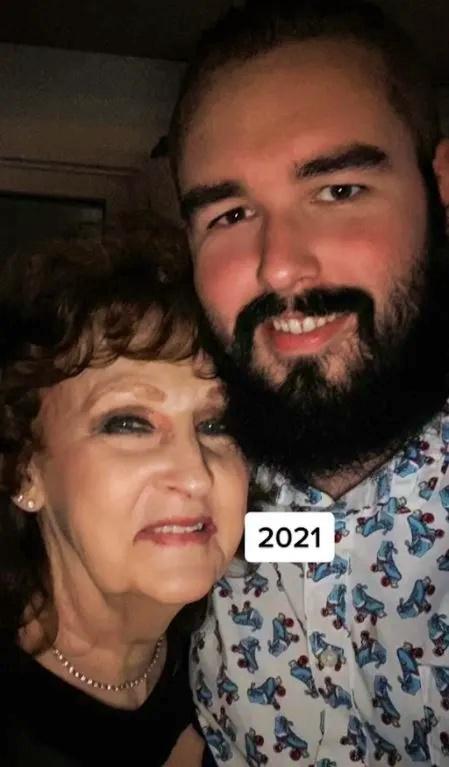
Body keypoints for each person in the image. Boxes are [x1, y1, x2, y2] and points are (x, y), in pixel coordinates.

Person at [169, 0, 449, 764]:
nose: (280, 266)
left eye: (337, 190)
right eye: (230, 214)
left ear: (439, 188)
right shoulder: (193, 497)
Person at [0, 226, 248, 766]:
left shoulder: (242, 562)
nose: (196, 475)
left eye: (215, 425)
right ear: (24, 473)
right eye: (129, 423)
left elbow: (342, 537)